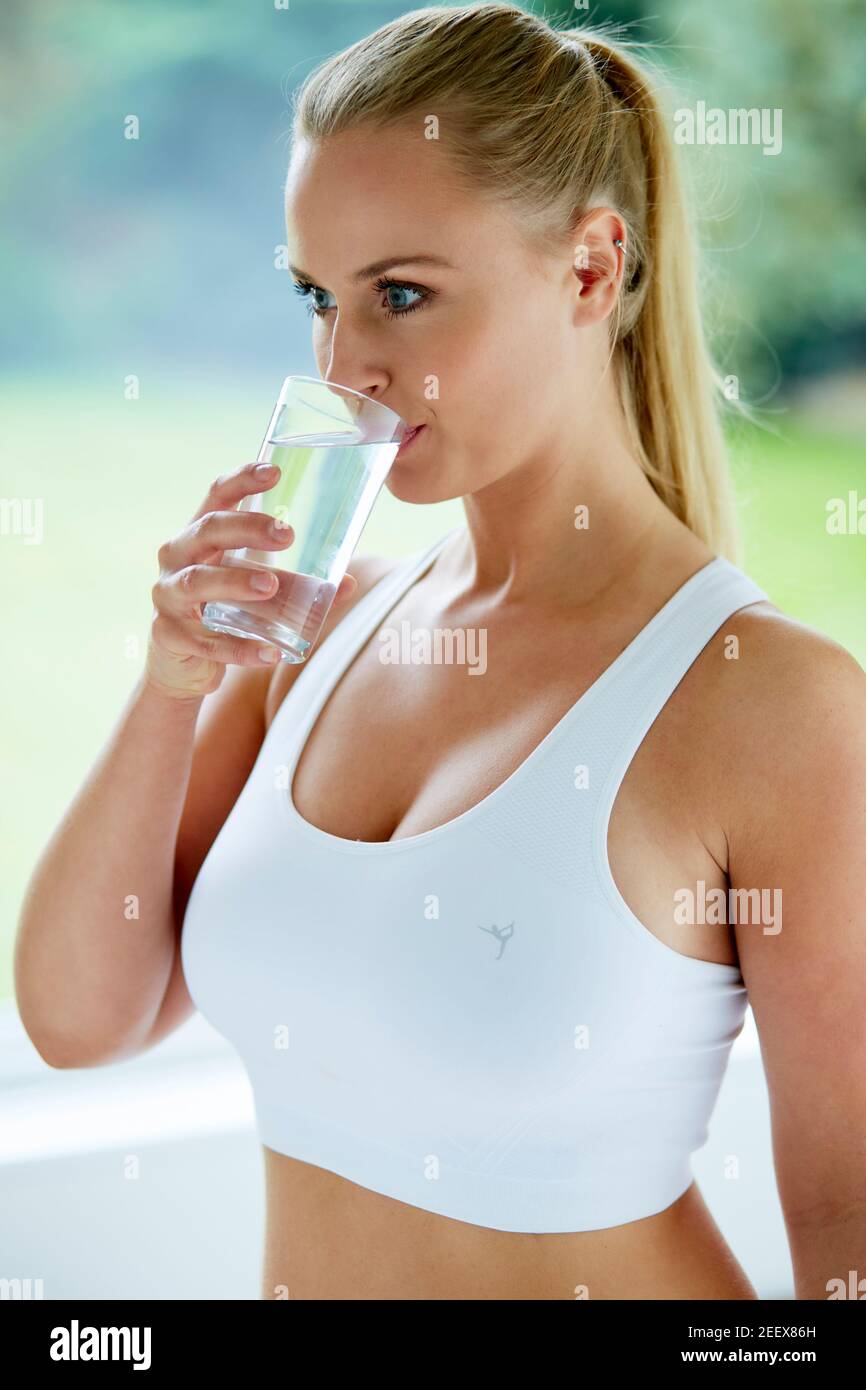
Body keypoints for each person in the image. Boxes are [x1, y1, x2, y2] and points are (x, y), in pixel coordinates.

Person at [15, 4, 866, 1301]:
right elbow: (80, 1021)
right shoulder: (313, 632)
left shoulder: (773, 706)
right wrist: (168, 684)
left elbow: (842, 1205)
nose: (343, 363)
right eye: (317, 295)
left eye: (401, 294)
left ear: (590, 269)